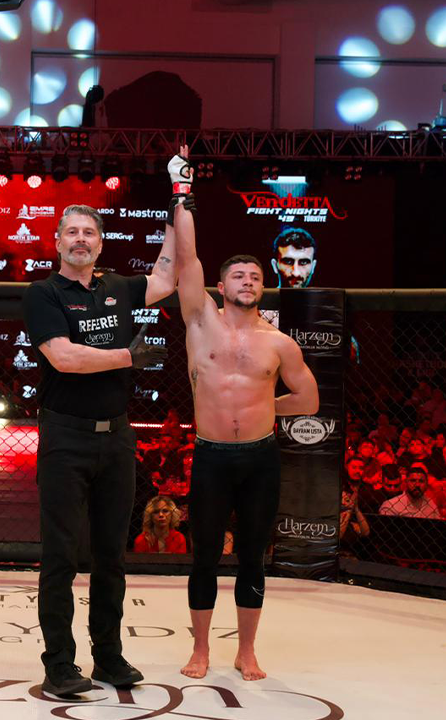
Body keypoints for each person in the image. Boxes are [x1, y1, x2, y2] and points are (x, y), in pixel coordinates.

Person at [167, 148, 319, 682]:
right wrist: (182, 191)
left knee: (253, 557)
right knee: (204, 557)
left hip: (259, 459)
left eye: (255, 276)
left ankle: (247, 651)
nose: (248, 281)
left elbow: (308, 401)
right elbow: (187, 259)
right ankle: (201, 649)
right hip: (211, 457)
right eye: (238, 275)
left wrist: (261, 408)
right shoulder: (199, 320)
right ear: (221, 285)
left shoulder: (279, 342)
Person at [21, 187, 176, 695]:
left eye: (89, 232)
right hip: (65, 436)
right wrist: (129, 357)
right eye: (72, 232)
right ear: (57, 242)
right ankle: (59, 665)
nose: (80, 239)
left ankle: (108, 657)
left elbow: (168, 277)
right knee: (61, 556)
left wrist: (177, 206)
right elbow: (64, 358)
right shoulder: (43, 293)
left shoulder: (120, 287)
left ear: (101, 243)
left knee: (111, 555)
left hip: (118, 438)